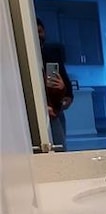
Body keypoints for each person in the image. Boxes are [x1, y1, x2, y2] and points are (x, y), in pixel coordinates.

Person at [37, 17, 74, 150]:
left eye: (40, 31)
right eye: (35, 32)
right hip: (35, 115)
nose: (38, 35)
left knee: (60, 150)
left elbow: (65, 91)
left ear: (44, 32)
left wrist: (62, 97)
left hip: (55, 114)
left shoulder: (51, 56)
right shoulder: (24, 58)